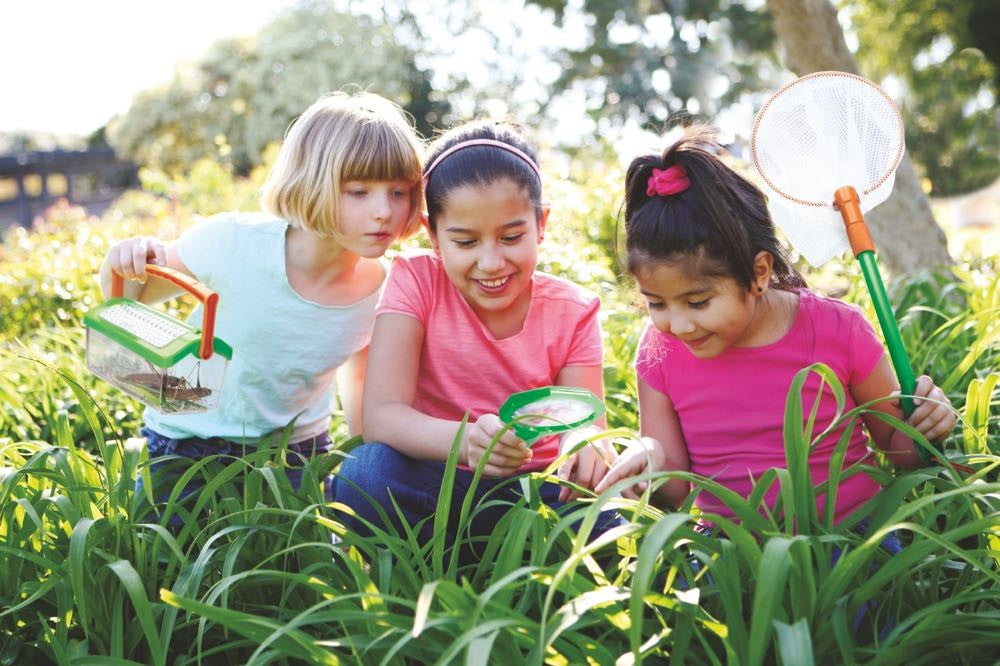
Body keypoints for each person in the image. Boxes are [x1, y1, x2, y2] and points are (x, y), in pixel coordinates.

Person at [594, 126, 956, 532]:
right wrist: (650, 461)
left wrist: (927, 427)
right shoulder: (659, 349)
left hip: (850, 547)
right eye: (656, 303)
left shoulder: (838, 330)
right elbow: (678, 491)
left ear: (759, 272)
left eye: (698, 302)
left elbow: (899, 449)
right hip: (730, 555)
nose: (678, 325)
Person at [99, 91, 424, 517]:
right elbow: (128, 296)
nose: (384, 211)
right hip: (185, 443)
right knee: (167, 567)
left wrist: (366, 463)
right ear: (312, 184)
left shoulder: (388, 285)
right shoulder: (233, 242)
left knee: (288, 577)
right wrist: (122, 260)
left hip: (294, 453)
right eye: (359, 191)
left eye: (399, 192)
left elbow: (360, 376)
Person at [334, 120, 614, 551]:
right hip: (433, 479)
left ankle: (505, 558)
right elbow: (381, 416)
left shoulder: (574, 311)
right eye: (465, 242)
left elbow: (586, 421)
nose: (490, 262)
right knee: (365, 475)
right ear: (433, 235)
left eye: (512, 237)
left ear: (541, 224)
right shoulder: (416, 281)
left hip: (530, 493)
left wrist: (580, 442)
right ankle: (449, 558)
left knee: (607, 515)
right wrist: (466, 444)